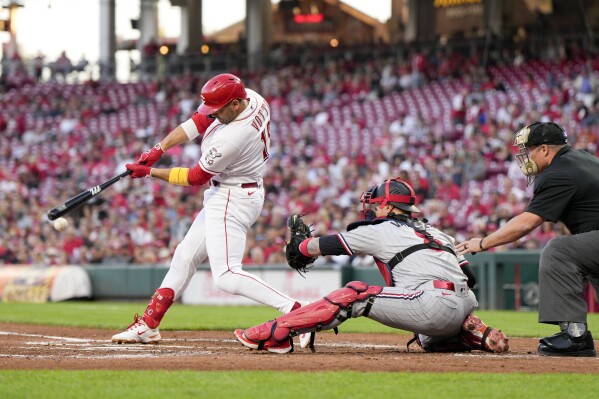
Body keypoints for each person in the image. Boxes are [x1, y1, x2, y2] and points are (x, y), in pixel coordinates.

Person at [111, 73, 311, 348]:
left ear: (236, 104)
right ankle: (148, 325)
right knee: (185, 255)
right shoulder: (252, 97)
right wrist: (159, 148)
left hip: (233, 196)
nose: (213, 116)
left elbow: (195, 177)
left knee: (227, 275)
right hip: (233, 191)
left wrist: (150, 172)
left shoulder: (234, 137)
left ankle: (300, 312)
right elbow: (198, 120)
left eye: (219, 111)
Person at [234, 178, 509, 354]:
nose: (372, 210)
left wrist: (300, 246)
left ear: (388, 207)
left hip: (433, 304)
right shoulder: (438, 233)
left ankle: (276, 332)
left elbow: (326, 246)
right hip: (463, 304)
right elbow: (470, 277)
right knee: (425, 338)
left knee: (356, 293)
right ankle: (469, 335)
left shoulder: (382, 227)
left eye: (376, 205)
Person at [456, 121, 599, 357]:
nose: (525, 156)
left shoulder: (558, 171)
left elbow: (526, 223)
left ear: (544, 150)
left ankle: (575, 336)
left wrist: (482, 243)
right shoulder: (581, 159)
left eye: (529, 149)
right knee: (589, 260)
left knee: (559, 251)